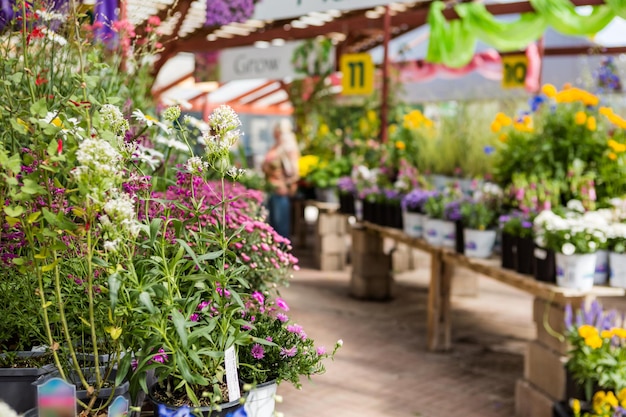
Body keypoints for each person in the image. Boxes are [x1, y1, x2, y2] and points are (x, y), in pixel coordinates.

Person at [262, 119, 300, 238]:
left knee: (281, 228)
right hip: (271, 189)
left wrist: (286, 185)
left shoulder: (288, 148)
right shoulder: (275, 146)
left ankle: (284, 254)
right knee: (272, 226)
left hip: (280, 191)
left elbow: (295, 172)